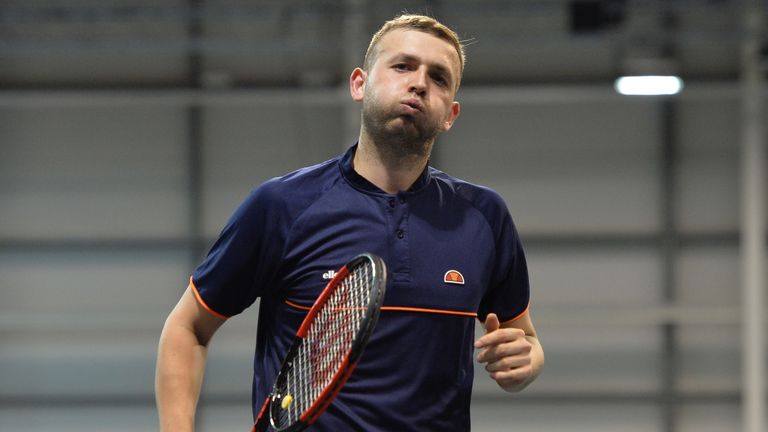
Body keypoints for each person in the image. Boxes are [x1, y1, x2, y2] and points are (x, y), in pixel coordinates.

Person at [156, 14, 544, 432]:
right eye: (402, 66)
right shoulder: (282, 206)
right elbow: (188, 327)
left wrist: (526, 361)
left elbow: (526, 340)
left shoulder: (484, 216)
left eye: (438, 77)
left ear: (450, 113)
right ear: (359, 84)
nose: (418, 83)